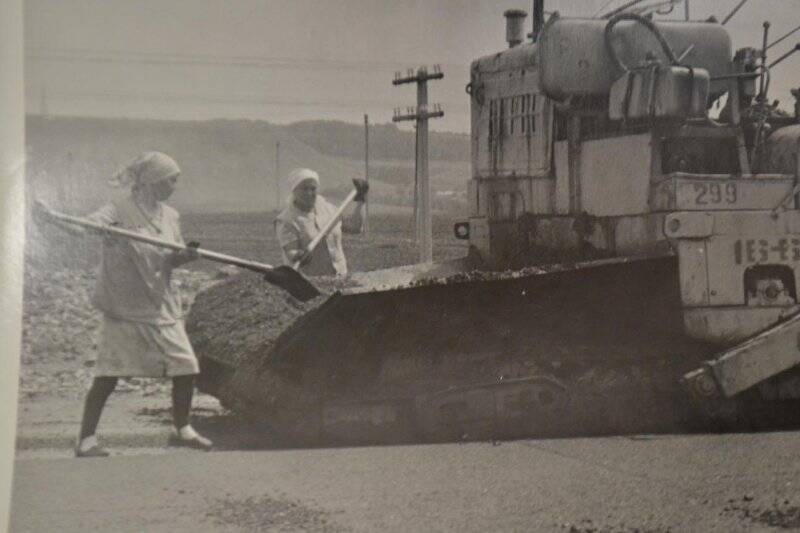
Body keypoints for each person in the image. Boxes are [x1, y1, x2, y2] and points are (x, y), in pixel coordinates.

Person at [33, 151, 213, 457]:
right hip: (124, 305)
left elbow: (171, 258)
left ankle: (183, 429)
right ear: (153, 180)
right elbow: (83, 228)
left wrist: (185, 255)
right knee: (109, 373)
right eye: (171, 180)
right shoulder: (118, 209)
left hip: (159, 303)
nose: (175, 186)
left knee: (186, 366)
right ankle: (86, 439)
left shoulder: (170, 216)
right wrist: (51, 218)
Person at [274, 168, 367, 277]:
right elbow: (291, 251)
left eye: (313, 188)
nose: (309, 193)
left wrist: (360, 201)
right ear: (294, 191)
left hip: (340, 278)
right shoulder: (286, 220)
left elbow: (355, 227)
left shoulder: (329, 209)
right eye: (304, 189)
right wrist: (298, 255)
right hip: (310, 283)